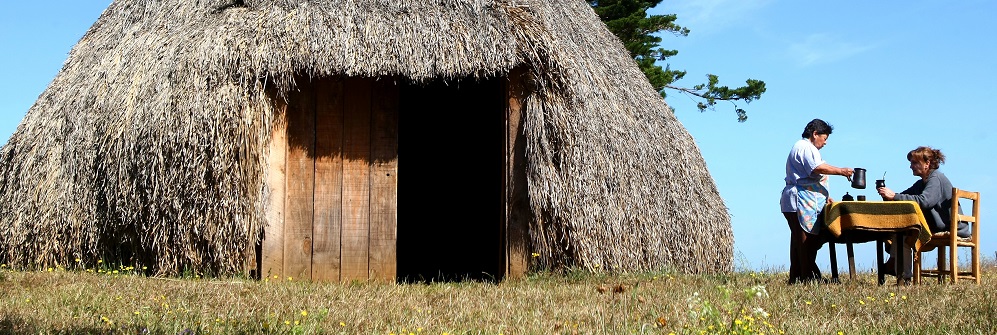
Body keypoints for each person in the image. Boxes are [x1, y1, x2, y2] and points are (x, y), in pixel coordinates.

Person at [780, 119, 854, 284]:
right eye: (824, 138)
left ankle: (797, 277)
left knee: (800, 241)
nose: (825, 143)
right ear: (815, 134)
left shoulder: (804, 148)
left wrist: (824, 195)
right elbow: (816, 168)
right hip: (800, 200)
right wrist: (841, 171)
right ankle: (808, 277)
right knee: (806, 242)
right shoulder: (805, 147)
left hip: (805, 199)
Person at [876, 146, 967, 280]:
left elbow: (925, 201)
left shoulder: (936, 178)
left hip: (950, 227)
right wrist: (887, 196)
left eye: (914, 163)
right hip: (936, 226)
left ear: (927, 164)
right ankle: (896, 267)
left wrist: (894, 196)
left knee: (903, 237)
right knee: (897, 233)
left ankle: (902, 275)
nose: (911, 166)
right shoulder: (921, 183)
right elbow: (903, 197)